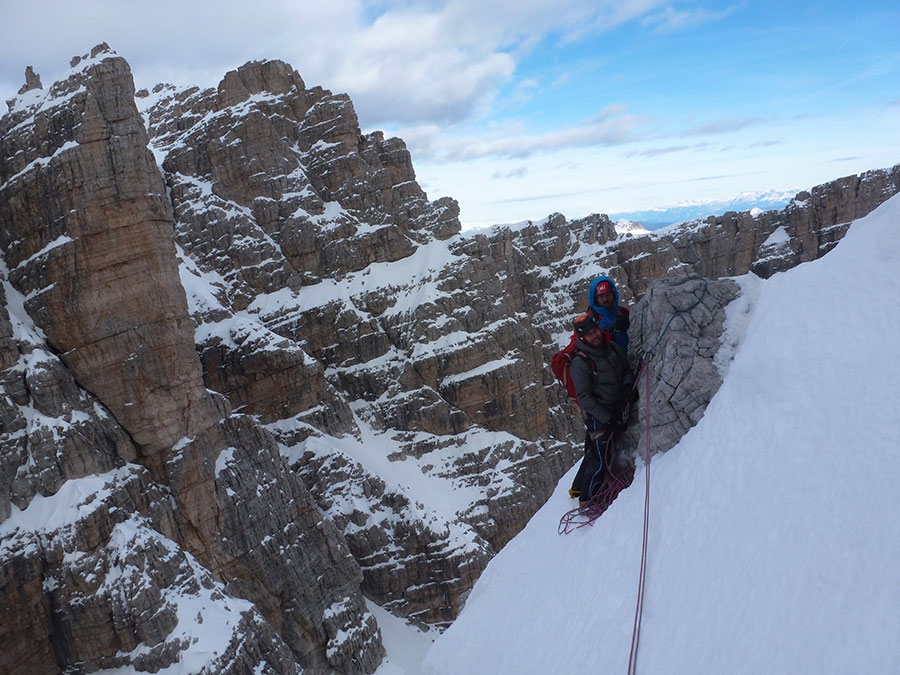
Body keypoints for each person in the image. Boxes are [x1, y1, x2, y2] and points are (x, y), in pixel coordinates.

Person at [567, 312, 636, 505]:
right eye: (589, 334)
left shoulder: (612, 348)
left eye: (595, 330)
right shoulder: (580, 363)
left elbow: (625, 370)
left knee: (595, 453)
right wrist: (607, 418)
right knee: (601, 460)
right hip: (600, 417)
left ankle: (577, 487)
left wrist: (628, 386)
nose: (595, 335)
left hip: (616, 409)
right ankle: (586, 501)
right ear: (582, 338)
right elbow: (585, 398)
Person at [587, 276, 630, 355]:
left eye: (608, 295)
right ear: (595, 299)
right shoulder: (588, 320)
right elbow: (577, 341)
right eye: (601, 296)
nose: (605, 299)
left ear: (613, 295)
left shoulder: (624, 312)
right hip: (607, 363)